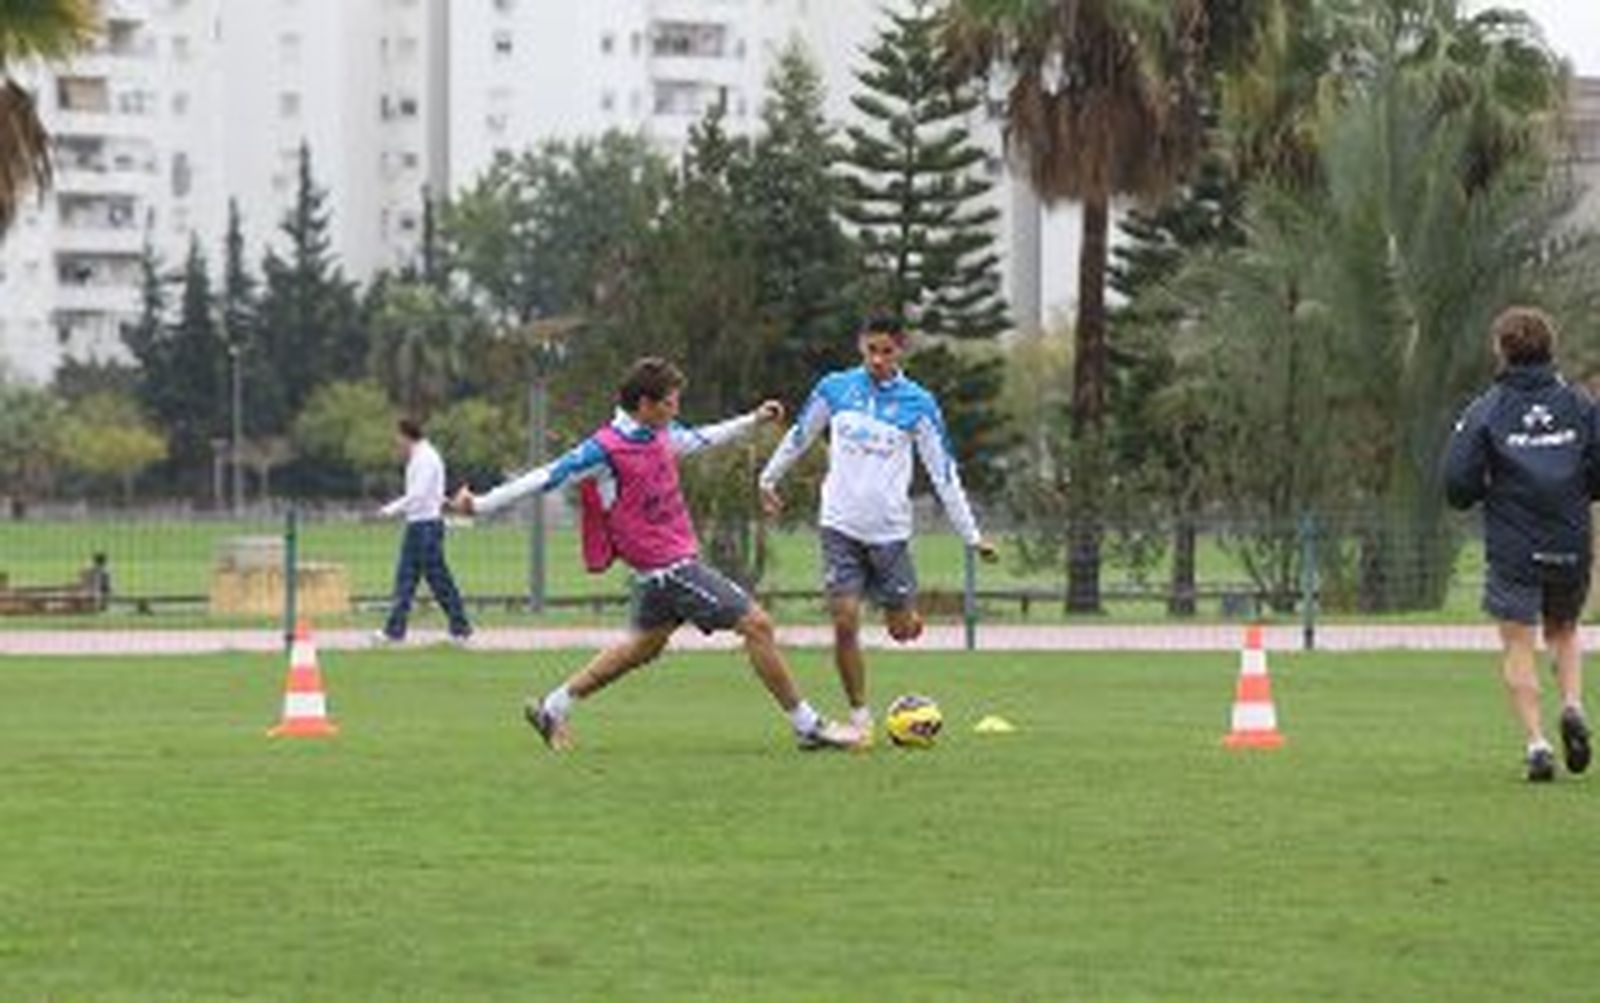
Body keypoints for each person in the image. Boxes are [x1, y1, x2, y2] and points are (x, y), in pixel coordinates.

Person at [452, 357, 857, 752]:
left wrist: (751, 420)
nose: (675, 410)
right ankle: (808, 726)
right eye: (669, 402)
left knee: (642, 648)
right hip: (671, 570)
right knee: (757, 624)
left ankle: (553, 707)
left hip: (661, 575)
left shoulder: (659, 433)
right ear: (645, 405)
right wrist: (482, 504)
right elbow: (546, 476)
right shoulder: (605, 449)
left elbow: (702, 438)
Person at [758, 314, 998, 746]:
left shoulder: (918, 404)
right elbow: (800, 435)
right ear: (860, 347)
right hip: (839, 525)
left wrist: (972, 535)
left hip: (890, 534)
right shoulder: (836, 388)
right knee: (845, 620)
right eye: (871, 350)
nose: (878, 359)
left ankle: (906, 614)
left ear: (900, 351)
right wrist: (768, 479)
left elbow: (943, 472)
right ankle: (860, 715)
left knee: (901, 630)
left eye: (887, 351)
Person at [1445, 306, 1597, 782]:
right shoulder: (1580, 404)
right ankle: (1572, 705)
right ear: (1549, 347)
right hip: (1570, 538)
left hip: (1514, 545)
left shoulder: (1486, 409)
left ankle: (1537, 744)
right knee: (1565, 629)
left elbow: (1456, 482)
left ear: (1503, 351)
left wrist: (1482, 490)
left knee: (1518, 642)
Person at [375, 418, 473, 645]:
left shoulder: (426, 459)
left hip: (426, 526)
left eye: (397, 437)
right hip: (418, 525)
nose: (396, 443)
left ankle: (460, 628)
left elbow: (418, 494)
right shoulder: (422, 457)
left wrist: (390, 510)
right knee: (406, 580)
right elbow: (432, 493)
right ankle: (394, 631)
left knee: (437, 580)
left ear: (405, 435)